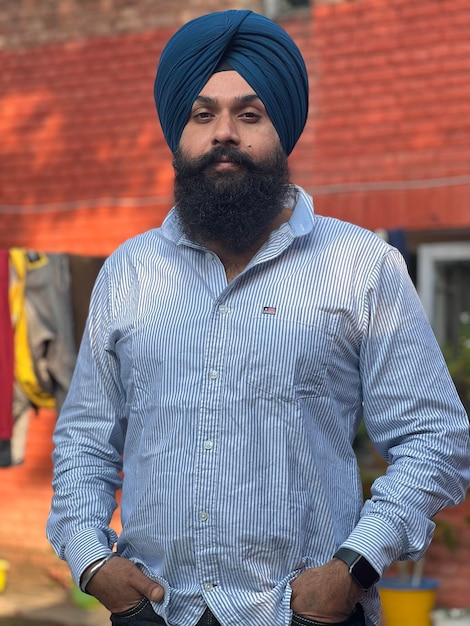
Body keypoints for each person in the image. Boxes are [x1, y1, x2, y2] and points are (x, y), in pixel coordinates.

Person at [47, 9, 470, 626]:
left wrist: (354, 567)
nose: (224, 133)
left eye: (250, 114)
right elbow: (85, 441)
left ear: (282, 132)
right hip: (158, 612)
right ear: (179, 133)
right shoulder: (129, 272)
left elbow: (435, 437)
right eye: (202, 115)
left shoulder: (360, 266)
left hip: (305, 615)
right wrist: (93, 563)